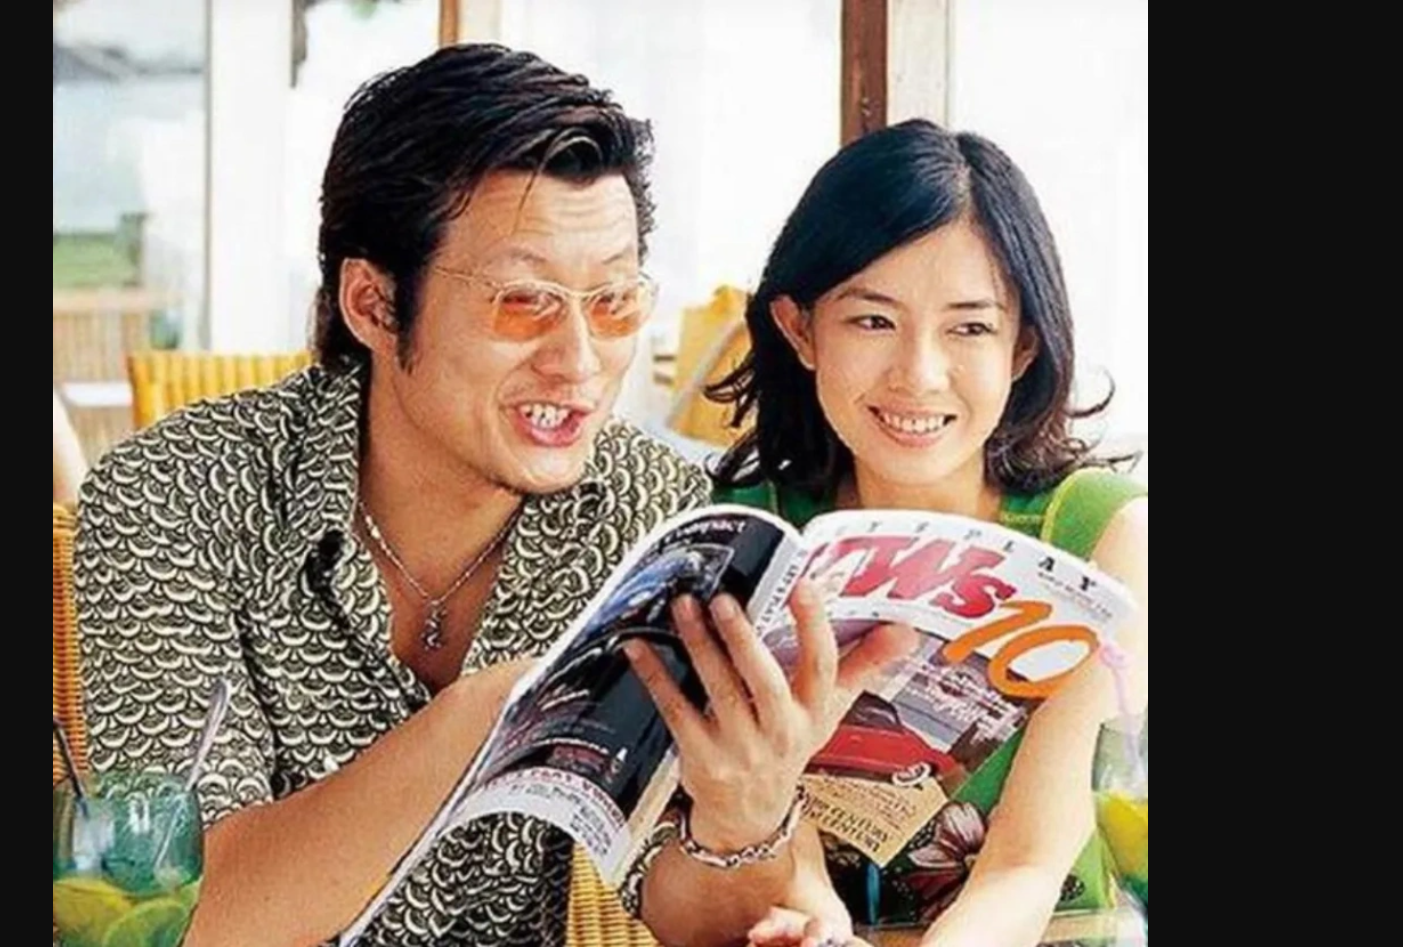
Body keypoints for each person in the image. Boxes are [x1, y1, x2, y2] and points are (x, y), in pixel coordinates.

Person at [73, 43, 912, 947]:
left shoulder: (654, 513)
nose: (580, 362)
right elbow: (191, 921)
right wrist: (495, 714)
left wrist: (743, 818)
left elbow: (684, 905)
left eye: (614, 302)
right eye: (523, 301)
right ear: (373, 303)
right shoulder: (172, 496)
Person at [706, 119, 1149, 947]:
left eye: (969, 327)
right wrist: (823, 919)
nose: (919, 373)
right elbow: (765, 817)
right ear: (800, 328)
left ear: (1023, 346)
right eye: (873, 321)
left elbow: (1027, 861)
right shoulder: (749, 532)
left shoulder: (1103, 538)